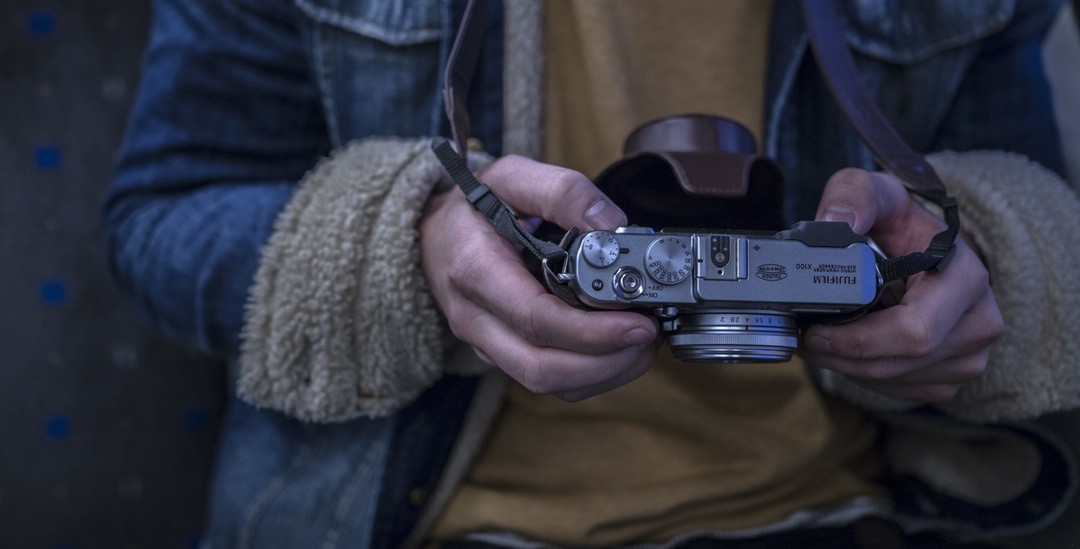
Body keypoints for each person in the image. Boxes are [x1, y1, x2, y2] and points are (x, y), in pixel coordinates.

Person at [105, 0, 1080, 547]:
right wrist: (407, 247)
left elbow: (1027, 198)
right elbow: (158, 217)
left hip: (840, 512)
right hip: (419, 527)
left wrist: (982, 259)